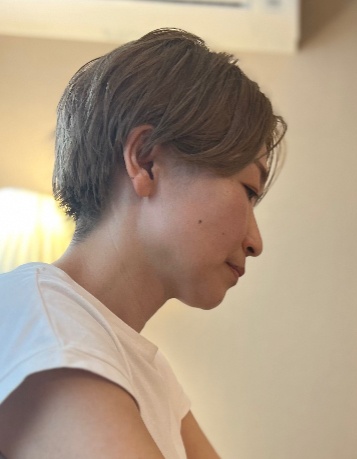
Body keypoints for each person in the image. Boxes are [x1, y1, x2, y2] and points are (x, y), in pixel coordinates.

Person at [0, 28, 286, 458]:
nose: (255, 241)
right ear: (146, 160)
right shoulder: (48, 331)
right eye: (248, 190)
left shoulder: (146, 372)